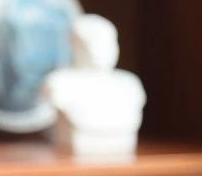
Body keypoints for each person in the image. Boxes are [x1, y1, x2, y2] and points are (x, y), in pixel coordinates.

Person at [42, 14, 145, 156]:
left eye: (108, 42)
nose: (103, 50)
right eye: (93, 43)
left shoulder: (129, 84)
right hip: (73, 158)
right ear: (76, 47)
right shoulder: (59, 83)